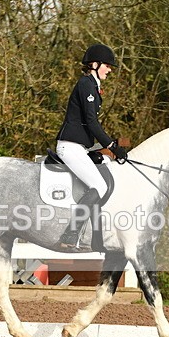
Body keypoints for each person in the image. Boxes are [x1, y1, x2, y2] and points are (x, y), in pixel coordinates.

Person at [56, 43, 127, 249]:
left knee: (104, 166)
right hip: (69, 146)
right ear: (94, 64)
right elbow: (91, 122)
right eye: (107, 65)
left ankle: (96, 237)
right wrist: (112, 145)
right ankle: (70, 234)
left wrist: (100, 150)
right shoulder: (86, 84)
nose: (110, 69)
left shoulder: (93, 86)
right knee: (100, 186)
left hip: (80, 147)